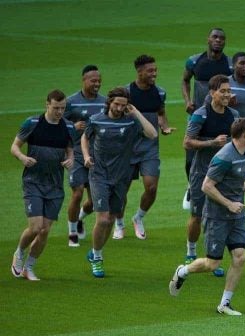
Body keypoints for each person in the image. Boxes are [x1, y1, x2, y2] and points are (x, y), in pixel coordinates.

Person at [169, 118, 245, 316]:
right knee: (212, 264)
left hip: (237, 216)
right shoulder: (224, 157)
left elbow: (236, 179)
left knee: (240, 257)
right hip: (217, 216)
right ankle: (183, 271)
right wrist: (229, 204)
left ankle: (225, 304)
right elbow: (206, 186)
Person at [82, 87, 157, 278]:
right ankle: (98, 258)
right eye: (117, 104)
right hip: (99, 174)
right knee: (104, 219)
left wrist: (136, 113)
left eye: (123, 105)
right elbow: (85, 137)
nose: (119, 108)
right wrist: (86, 156)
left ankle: (95, 252)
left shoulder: (131, 121)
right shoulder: (96, 119)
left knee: (113, 218)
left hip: (121, 177)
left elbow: (152, 134)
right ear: (109, 102)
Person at [10, 90, 75, 281]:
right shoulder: (32, 123)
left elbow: (70, 150)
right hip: (33, 182)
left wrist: (70, 160)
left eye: (62, 108)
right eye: (56, 108)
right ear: (47, 105)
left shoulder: (68, 127)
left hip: (55, 185)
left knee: (45, 230)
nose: (59, 112)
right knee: (36, 227)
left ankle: (29, 268)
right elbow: (14, 146)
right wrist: (22, 157)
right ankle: (19, 253)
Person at [182, 74, 240, 277]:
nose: (226, 94)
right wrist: (211, 143)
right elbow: (187, 142)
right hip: (201, 172)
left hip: (223, 175)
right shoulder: (201, 114)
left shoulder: (233, 114)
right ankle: (191, 253)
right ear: (212, 93)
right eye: (222, 91)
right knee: (197, 216)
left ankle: (212, 258)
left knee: (218, 216)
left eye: (228, 91)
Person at [113, 55, 174, 240]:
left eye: (155, 70)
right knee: (121, 190)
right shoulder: (126, 93)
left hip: (149, 147)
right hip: (127, 148)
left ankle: (138, 218)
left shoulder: (160, 92)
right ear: (139, 72)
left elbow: (161, 113)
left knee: (152, 187)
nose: (154, 73)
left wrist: (164, 126)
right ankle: (119, 223)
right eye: (150, 71)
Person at [182, 28, 232, 183]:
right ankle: (191, 185)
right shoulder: (195, 61)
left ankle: (215, 184)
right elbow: (185, 80)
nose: (218, 40)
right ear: (208, 39)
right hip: (198, 113)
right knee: (190, 156)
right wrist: (187, 101)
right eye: (215, 37)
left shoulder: (229, 65)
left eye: (221, 38)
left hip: (219, 114)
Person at [63, 65, 106, 247]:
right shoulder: (71, 102)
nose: (96, 84)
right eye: (93, 80)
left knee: (95, 202)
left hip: (97, 155)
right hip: (77, 154)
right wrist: (72, 127)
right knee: (77, 192)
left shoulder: (105, 102)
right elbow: (57, 122)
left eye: (98, 80)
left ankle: (80, 217)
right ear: (84, 80)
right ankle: (72, 232)